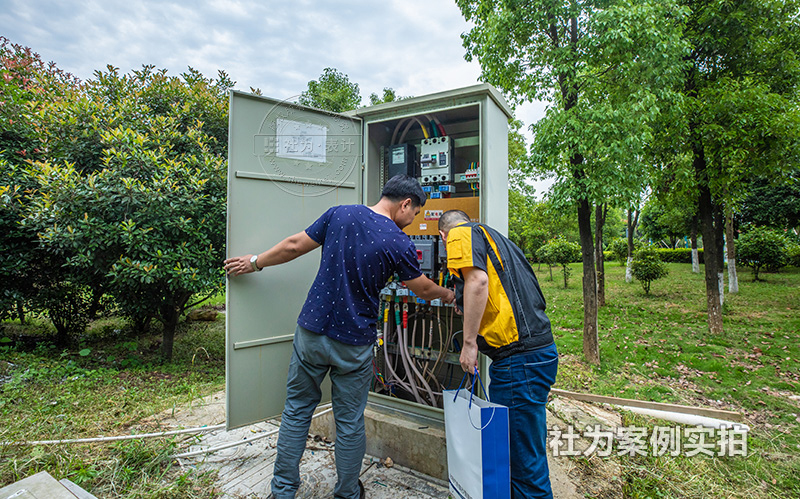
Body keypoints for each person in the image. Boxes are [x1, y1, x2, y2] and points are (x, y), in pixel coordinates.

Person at [224, 175, 454, 499]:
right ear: (405, 204)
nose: (412, 219)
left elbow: (293, 246)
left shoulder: (339, 214)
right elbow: (423, 288)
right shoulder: (399, 242)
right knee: (348, 423)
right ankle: (347, 493)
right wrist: (449, 294)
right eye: (415, 213)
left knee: (296, 410)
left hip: (311, 332)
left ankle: (283, 490)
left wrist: (254, 262)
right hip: (353, 342)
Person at [438, 209, 558, 499]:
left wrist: (469, 344)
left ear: (442, 236)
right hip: (536, 354)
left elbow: (478, 282)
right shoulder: (497, 239)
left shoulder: (459, 234)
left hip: (519, 362)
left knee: (523, 465)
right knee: (524, 451)